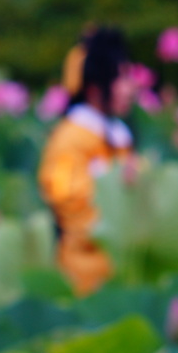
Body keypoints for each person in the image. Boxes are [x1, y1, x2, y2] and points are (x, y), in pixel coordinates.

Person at [38, 27, 138, 296]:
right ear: (95, 88)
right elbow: (68, 203)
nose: (131, 88)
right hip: (85, 274)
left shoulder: (117, 135)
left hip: (125, 265)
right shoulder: (69, 140)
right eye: (123, 78)